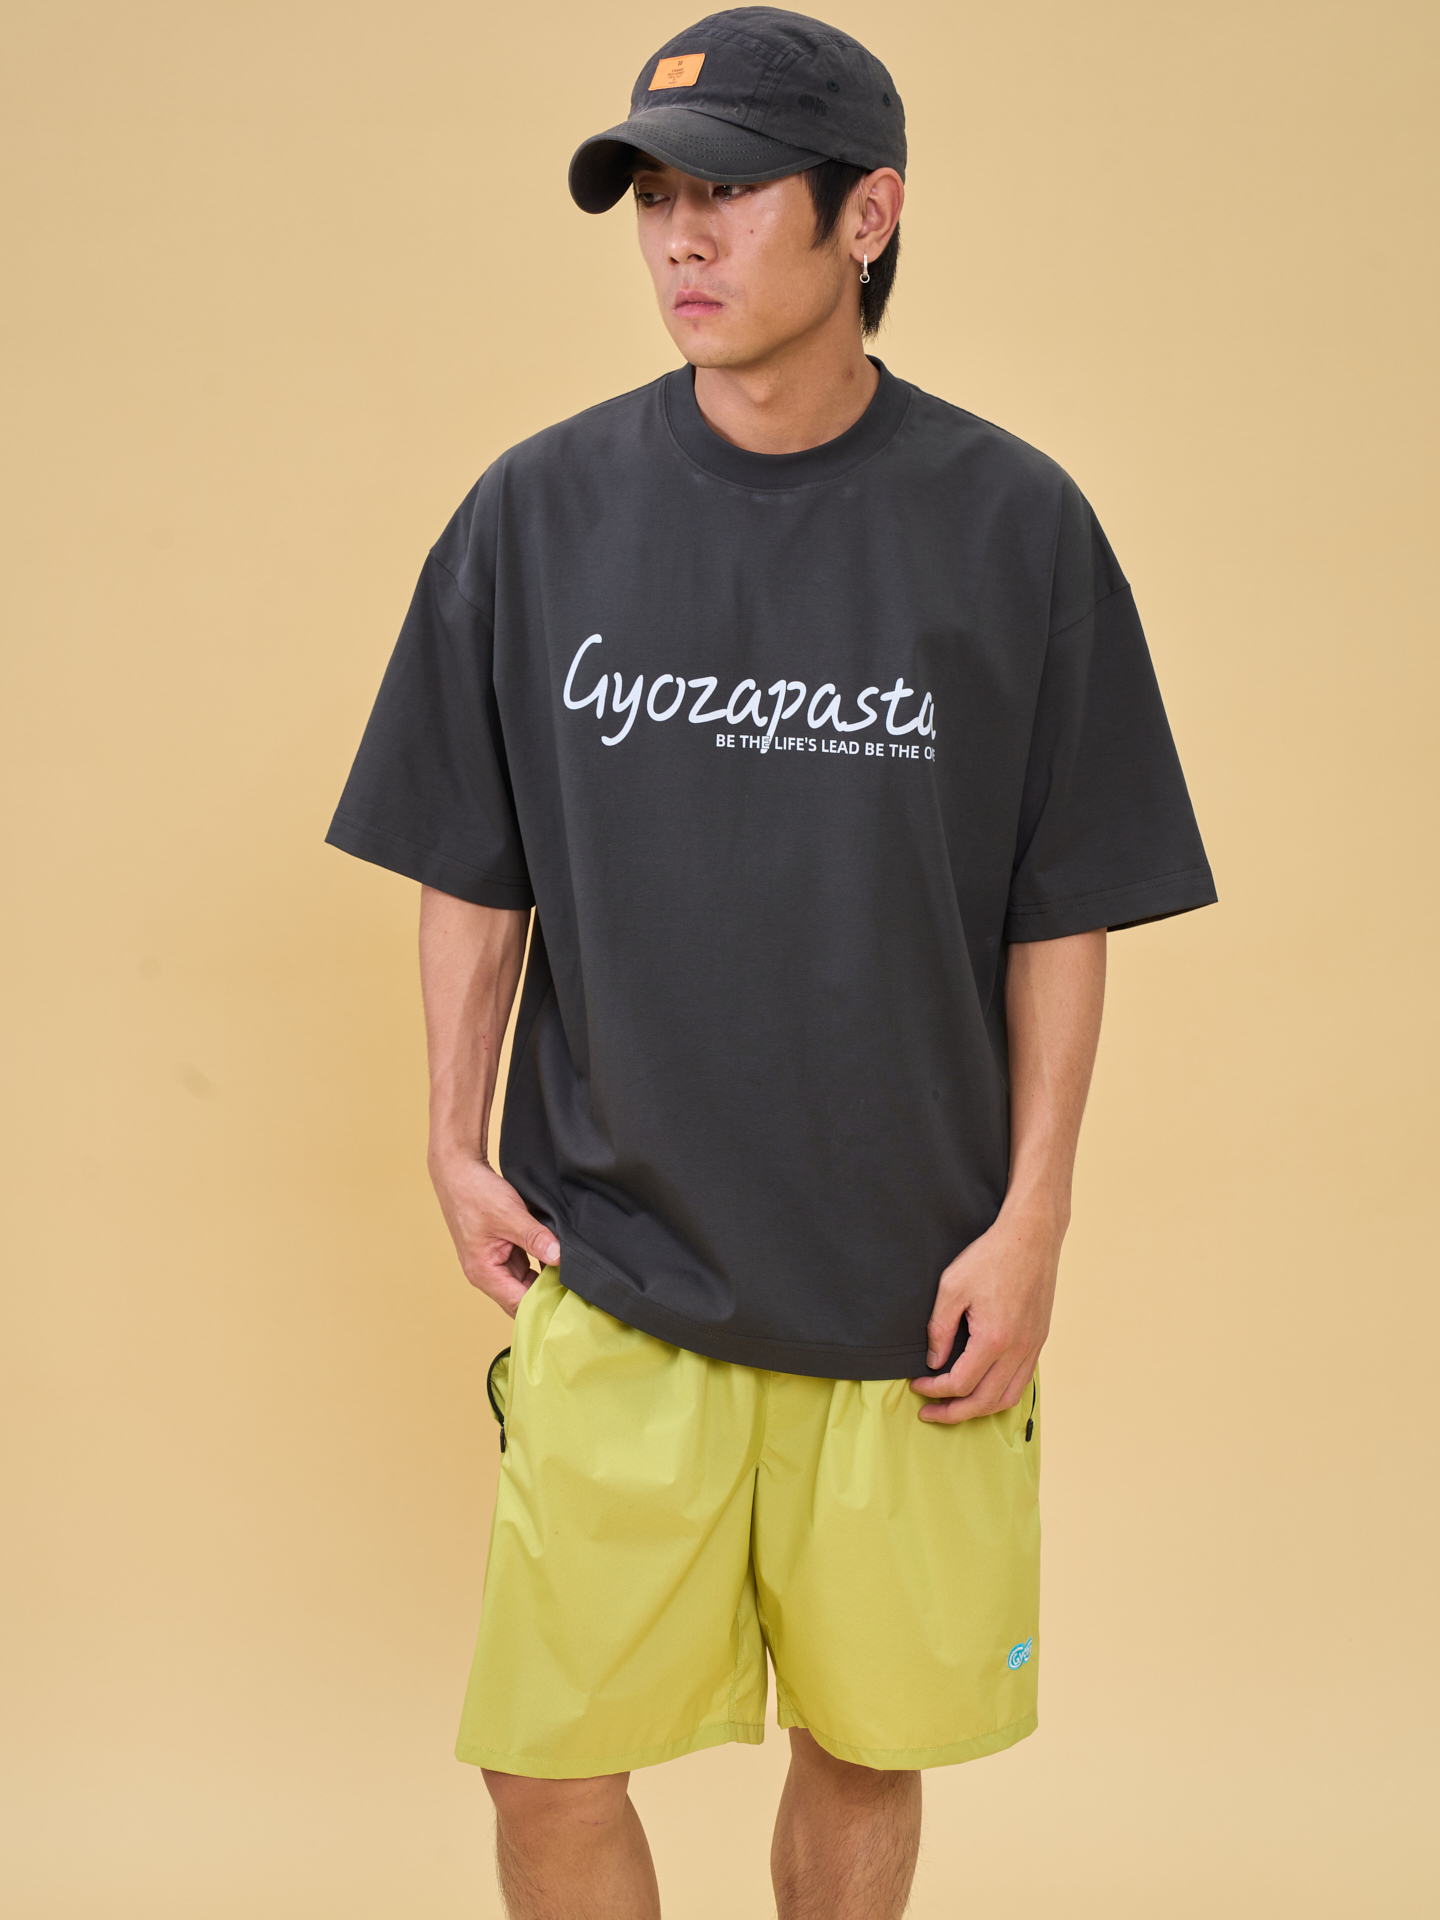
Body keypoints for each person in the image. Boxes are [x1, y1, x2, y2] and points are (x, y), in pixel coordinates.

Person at [325, 8, 1216, 1915]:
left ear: (866, 216)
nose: (680, 238)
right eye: (654, 197)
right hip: (619, 1263)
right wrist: (450, 1135)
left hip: (908, 1290)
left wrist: (1035, 1220)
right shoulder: (538, 512)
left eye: (726, 192)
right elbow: (470, 859)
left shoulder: (1017, 527)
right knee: (544, 1768)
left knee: (866, 1750)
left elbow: (1063, 903)